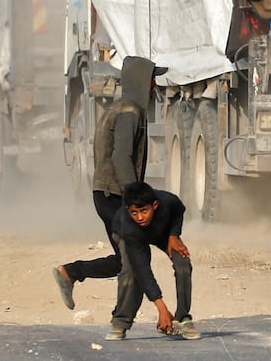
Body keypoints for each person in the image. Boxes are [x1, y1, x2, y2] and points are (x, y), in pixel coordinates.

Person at [53, 56, 167, 311]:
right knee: (135, 257)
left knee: (126, 259)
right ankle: (121, 318)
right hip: (113, 195)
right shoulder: (130, 113)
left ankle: (70, 274)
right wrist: (134, 197)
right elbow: (121, 156)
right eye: (151, 79)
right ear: (140, 81)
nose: (155, 85)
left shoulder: (119, 108)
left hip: (106, 193)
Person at [104, 181, 198, 341]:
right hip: (128, 236)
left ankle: (183, 319)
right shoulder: (129, 226)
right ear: (128, 210)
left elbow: (179, 210)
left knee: (183, 263)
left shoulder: (168, 201)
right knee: (130, 274)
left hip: (160, 232)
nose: (140, 217)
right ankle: (120, 322)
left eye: (143, 211)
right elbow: (143, 269)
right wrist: (162, 309)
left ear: (154, 205)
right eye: (134, 212)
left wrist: (173, 235)